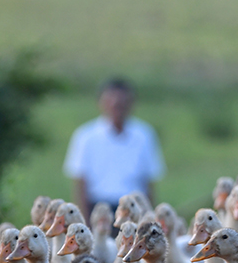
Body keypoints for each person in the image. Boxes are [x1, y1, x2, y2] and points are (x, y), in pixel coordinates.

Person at [63, 78, 166, 220]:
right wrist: (83, 221)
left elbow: (148, 183)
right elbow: (80, 184)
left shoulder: (144, 135)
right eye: (112, 101)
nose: (117, 106)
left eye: (122, 102)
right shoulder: (86, 136)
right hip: (99, 210)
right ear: (101, 103)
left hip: (134, 210)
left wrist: (149, 218)